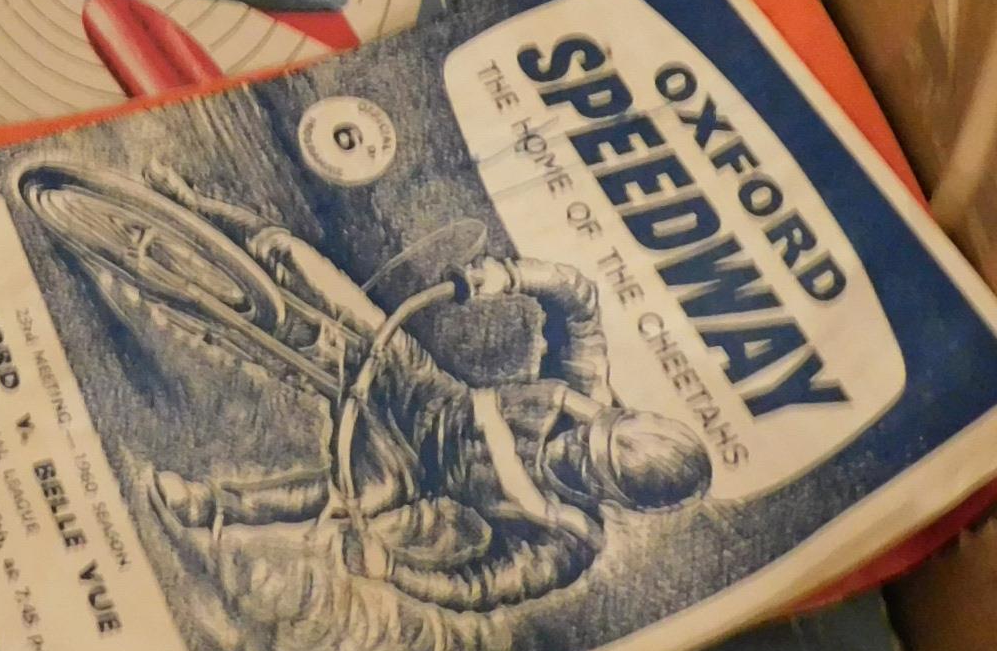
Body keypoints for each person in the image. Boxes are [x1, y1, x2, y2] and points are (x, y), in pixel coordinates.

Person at [143, 237, 711, 612]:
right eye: (591, 435)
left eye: (588, 466)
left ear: (611, 494)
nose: (572, 447)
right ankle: (202, 213)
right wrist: (505, 276)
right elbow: (579, 299)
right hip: (427, 391)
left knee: (352, 492)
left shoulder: (568, 541)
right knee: (325, 287)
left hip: (415, 470)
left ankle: (210, 506)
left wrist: (392, 569)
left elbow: (480, 586)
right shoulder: (584, 388)